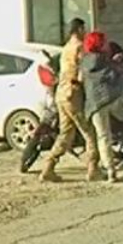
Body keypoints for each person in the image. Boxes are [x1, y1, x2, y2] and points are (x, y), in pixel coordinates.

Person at [41, 18, 97, 183]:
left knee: (66, 133)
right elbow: (82, 72)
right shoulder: (79, 47)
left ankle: (48, 166)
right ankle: (93, 167)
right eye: (83, 29)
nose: (85, 32)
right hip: (73, 93)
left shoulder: (66, 48)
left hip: (61, 94)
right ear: (79, 29)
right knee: (89, 131)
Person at [80, 32, 123, 183]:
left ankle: (109, 169)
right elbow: (112, 77)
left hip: (93, 105)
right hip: (108, 101)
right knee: (108, 135)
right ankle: (112, 168)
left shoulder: (85, 62)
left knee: (102, 136)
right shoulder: (104, 61)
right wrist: (116, 65)